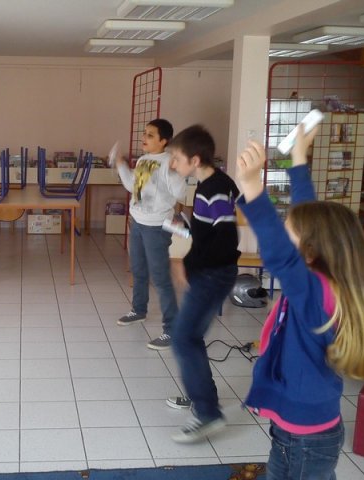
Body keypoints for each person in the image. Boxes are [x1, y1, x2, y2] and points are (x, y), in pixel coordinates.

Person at [236, 125, 364, 479]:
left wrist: (254, 188)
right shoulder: (321, 277)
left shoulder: (316, 292)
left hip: (309, 437)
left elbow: (282, 256)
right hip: (296, 430)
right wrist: (298, 159)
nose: (284, 232)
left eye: (290, 232)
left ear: (311, 249)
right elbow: (308, 213)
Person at [165, 124, 240, 443]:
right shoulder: (210, 185)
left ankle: (207, 412)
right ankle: (203, 401)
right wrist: (186, 232)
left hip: (214, 275)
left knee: (183, 338)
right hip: (208, 272)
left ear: (195, 160)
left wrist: (189, 263)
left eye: (177, 158)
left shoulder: (215, 189)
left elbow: (224, 241)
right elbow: (209, 233)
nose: (173, 164)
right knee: (189, 337)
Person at [114, 118, 187, 350]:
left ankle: (172, 329)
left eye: (150, 135)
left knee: (161, 278)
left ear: (164, 141)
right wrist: (120, 165)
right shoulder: (145, 160)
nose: (143, 138)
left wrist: (178, 169)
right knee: (138, 269)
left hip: (156, 227)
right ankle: (138, 310)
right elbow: (132, 187)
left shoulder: (168, 163)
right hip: (137, 222)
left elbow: (180, 192)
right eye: (144, 134)